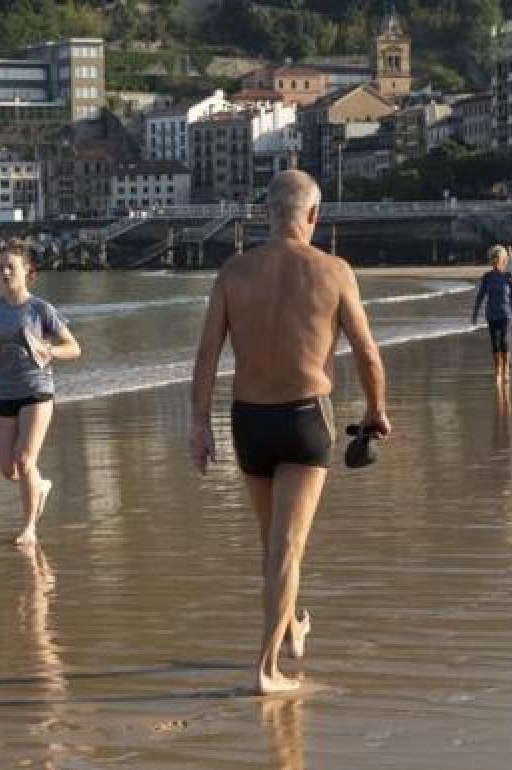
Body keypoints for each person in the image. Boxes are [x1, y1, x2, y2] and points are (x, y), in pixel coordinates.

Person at [190, 170, 390, 695]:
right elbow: (367, 351)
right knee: (285, 547)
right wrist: (377, 411)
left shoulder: (233, 272)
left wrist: (197, 423)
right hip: (303, 419)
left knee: (274, 543)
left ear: (267, 214)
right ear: (314, 216)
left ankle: (293, 622)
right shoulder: (334, 270)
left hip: (247, 421)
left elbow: (207, 354)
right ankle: (265, 671)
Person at [0, 242, 80, 546]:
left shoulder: (41, 309)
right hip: (2, 391)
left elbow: (74, 347)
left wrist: (50, 350)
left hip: (37, 389)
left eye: (11, 267)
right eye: (0, 267)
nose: (4, 272)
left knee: (23, 460)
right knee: (8, 470)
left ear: (27, 272)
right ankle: (40, 486)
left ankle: (29, 527)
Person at [471, 244, 512, 382]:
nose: (495, 260)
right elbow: (480, 296)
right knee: (495, 344)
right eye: (493, 258)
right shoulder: (487, 277)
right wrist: (475, 313)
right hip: (491, 315)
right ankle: (497, 371)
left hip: (506, 315)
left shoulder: (509, 277)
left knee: (504, 342)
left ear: (503, 260)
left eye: (498, 258)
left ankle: (505, 368)